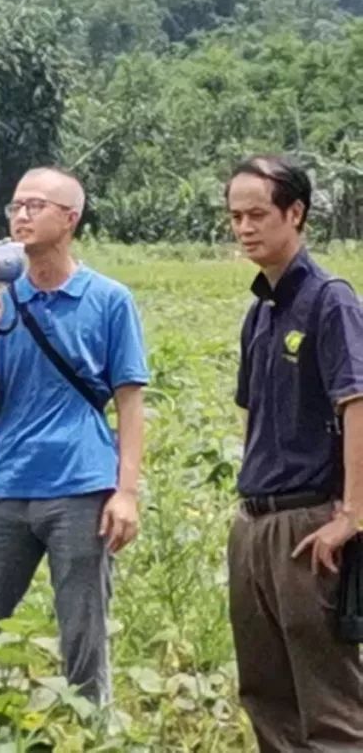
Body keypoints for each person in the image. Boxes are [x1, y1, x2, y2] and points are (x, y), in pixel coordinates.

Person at [0, 166, 148, 708]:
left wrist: (125, 493)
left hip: (81, 486)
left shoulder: (108, 299)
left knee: (83, 634)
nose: (22, 215)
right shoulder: (2, 298)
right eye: (16, 206)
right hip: (7, 483)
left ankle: (89, 730)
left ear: (70, 219)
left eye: (36, 205)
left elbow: (129, 403)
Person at [226, 155, 363, 751]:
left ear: (296, 213)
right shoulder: (260, 313)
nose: (245, 228)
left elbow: (357, 404)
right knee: (266, 695)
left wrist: (351, 515)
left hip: (310, 525)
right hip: (256, 524)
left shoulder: (331, 300)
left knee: (330, 703)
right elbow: (254, 416)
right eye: (235, 216)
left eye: (258, 214)